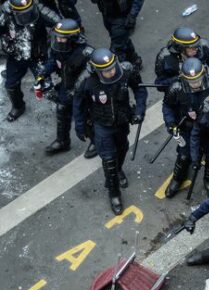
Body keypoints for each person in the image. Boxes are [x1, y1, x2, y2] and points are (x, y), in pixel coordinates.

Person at [73, 48, 147, 215]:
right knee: (109, 160)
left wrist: (140, 111)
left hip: (122, 121)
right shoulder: (85, 82)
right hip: (101, 125)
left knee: (122, 148)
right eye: (106, 71)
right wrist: (80, 126)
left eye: (112, 67)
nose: (111, 72)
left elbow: (140, 89)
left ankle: (117, 170)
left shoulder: (126, 71)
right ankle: (114, 193)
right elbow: (78, 105)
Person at [39, 18, 95, 157]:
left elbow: (88, 77)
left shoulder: (85, 54)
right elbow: (54, 61)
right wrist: (43, 73)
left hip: (83, 90)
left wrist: (76, 92)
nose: (58, 40)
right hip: (67, 85)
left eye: (62, 38)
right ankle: (62, 141)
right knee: (62, 110)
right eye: (57, 37)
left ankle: (96, 141)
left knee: (86, 116)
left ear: (72, 39)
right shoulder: (60, 47)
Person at [0, 0, 60, 122]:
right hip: (16, 56)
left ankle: (64, 107)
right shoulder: (6, 14)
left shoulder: (39, 8)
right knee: (11, 85)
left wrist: (58, 43)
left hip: (37, 56)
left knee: (46, 87)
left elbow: (58, 23)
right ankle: (18, 106)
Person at [161, 58, 209, 198]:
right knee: (184, 155)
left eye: (198, 80)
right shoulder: (176, 88)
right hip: (187, 127)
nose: (195, 84)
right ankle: (177, 179)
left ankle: (208, 180)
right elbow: (167, 107)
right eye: (191, 81)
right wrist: (171, 124)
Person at [154, 26, 209, 92]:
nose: (196, 49)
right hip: (183, 91)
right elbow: (160, 85)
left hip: (206, 84)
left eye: (197, 45)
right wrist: (179, 79)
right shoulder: (164, 57)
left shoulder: (203, 45)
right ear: (181, 48)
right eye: (192, 47)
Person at [90, 0, 143, 69]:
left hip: (122, 17)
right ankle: (134, 59)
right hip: (107, 14)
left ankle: (123, 72)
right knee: (122, 40)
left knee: (117, 49)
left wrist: (132, 15)